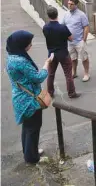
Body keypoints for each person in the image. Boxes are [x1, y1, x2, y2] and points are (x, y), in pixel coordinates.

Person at [6, 30, 51, 164]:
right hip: (29, 101)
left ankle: (29, 151)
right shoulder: (20, 61)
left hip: (20, 98)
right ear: (21, 44)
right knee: (33, 128)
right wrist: (46, 65)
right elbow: (38, 78)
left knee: (27, 128)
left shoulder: (11, 57)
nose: (30, 45)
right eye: (28, 43)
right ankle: (32, 158)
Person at [43, 6, 80, 98]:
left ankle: (50, 93)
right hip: (63, 53)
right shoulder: (63, 27)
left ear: (48, 16)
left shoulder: (45, 27)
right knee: (68, 74)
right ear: (57, 15)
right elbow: (71, 39)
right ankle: (71, 93)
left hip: (51, 54)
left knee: (51, 74)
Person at [62, 0, 90, 82]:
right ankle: (74, 72)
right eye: (69, 3)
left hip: (79, 41)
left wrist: (84, 39)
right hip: (70, 42)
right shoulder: (66, 14)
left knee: (84, 58)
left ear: (76, 5)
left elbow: (86, 27)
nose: (69, 5)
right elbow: (63, 25)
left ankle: (86, 73)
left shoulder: (81, 15)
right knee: (73, 58)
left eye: (71, 4)